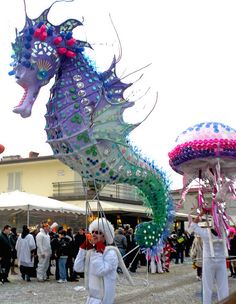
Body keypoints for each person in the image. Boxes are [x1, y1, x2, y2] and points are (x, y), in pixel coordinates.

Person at [74, 218, 133, 304]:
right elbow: (78, 268)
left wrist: (98, 252)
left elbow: (101, 271)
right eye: (93, 232)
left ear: (105, 236)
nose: (94, 234)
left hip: (103, 299)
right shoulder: (92, 252)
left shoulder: (111, 253)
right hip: (91, 297)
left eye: (98, 233)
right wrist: (82, 249)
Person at [190, 211, 229, 304]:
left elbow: (193, 225)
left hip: (209, 262)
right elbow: (229, 229)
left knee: (207, 287)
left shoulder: (205, 233)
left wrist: (200, 214)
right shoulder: (225, 233)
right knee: (223, 286)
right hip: (221, 262)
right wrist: (221, 213)